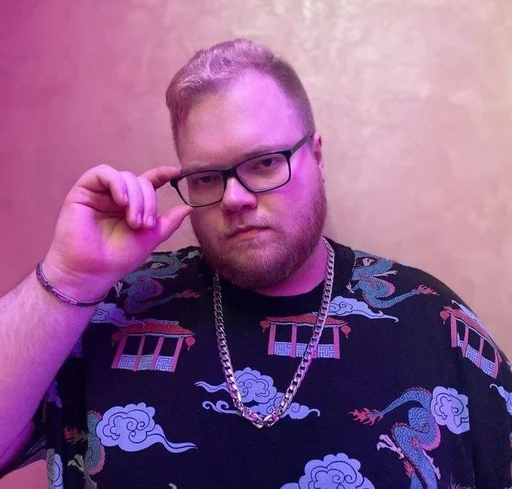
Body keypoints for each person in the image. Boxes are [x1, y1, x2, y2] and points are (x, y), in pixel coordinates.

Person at [0, 38, 510, 489]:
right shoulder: (114, 310)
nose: (235, 198)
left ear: (317, 157)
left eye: (264, 163)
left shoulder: (429, 319)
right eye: (206, 177)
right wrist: (71, 276)